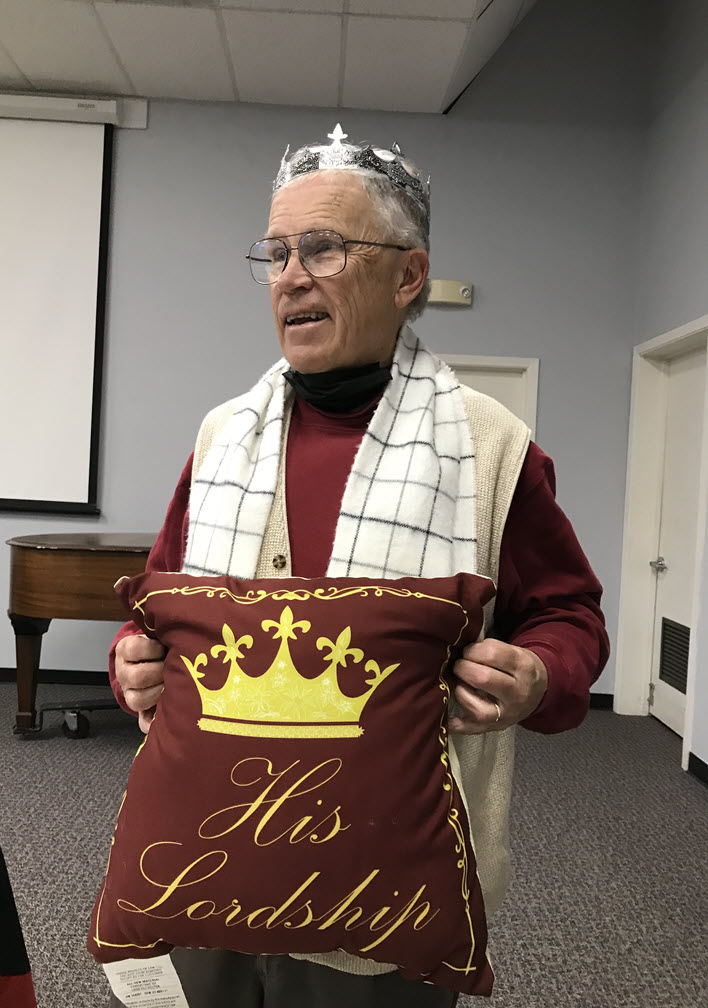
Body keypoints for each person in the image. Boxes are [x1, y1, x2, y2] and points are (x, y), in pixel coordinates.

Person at [108, 125, 608, 1008]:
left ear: (407, 275)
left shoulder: (490, 447)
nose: (291, 276)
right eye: (276, 252)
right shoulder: (225, 436)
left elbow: (572, 616)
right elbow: (159, 603)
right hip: (204, 864)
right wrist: (133, 661)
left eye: (325, 248)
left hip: (386, 895)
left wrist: (539, 674)